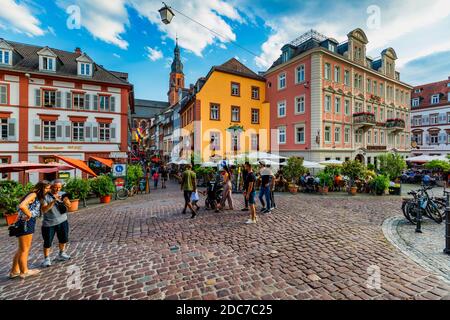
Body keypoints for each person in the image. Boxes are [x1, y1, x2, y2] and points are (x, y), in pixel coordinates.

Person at [9, 181, 51, 279]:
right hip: (27, 222)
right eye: (46, 188)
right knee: (25, 249)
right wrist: (29, 215)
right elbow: (22, 206)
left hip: (23, 222)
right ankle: (24, 271)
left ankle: (14, 271)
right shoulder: (33, 194)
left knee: (21, 248)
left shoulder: (34, 195)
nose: (48, 190)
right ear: (40, 188)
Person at [41, 180, 72, 267]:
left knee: (63, 238)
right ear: (51, 186)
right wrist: (54, 201)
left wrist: (67, 202)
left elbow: (69, 206)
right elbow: (44, 210)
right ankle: (46, 259)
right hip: (49, 223)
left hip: (63, 220)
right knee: (47, 242)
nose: (58, 189)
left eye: (59, 187)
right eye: (55, 187)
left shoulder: (63, 193)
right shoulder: (44, 197)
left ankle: (61, 254)